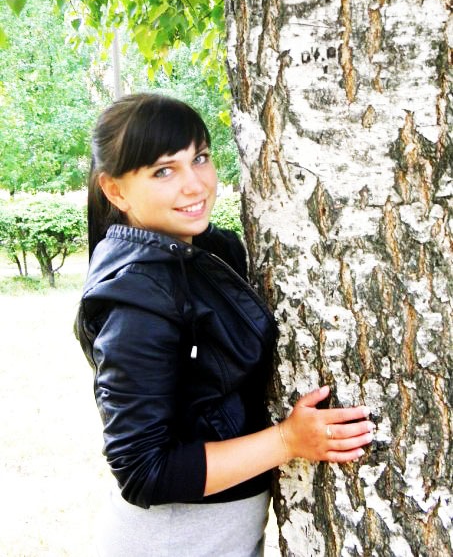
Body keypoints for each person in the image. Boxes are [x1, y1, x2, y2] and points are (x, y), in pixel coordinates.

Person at [75, 93, 374, 557]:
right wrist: (287, 440)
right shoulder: (136, 298)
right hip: (173, 542)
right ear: (115, 191)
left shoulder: (203, 253)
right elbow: (142, 469)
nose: (195, 185)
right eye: (163, 171)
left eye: (200, 158)